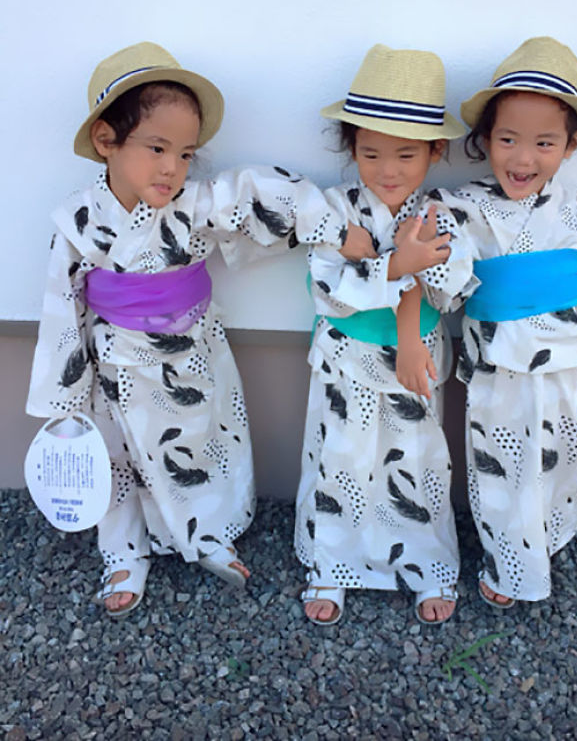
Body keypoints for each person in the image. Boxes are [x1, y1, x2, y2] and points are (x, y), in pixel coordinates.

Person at [26, 41, 370, 618]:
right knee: (122, 458)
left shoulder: (194, 204)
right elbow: (62, 307)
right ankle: (124, 552)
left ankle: (207, 535)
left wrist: (334, 230)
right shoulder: (79, 220)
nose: (173, 168)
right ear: (107, 141)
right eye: (156, 148)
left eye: (186, 154)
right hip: (115, 364)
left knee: (200, 444)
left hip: (192, 354)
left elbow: (262, 194)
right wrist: (66, 395)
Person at [417, 37, 577, 607]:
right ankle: (512, 562)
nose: (522, 159)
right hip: (502, 370)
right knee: (505, 468)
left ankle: (570, 516)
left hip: (574, 362)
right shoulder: (463, 207)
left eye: (544, 143)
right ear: (485, 138)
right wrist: (437, 245)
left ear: (570, 145)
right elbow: (441, 278)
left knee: (571, 455)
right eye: (507, 139)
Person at [294, 44, 465, 625]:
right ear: (351, 148)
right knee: (341, 457)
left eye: (405, 155)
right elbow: (328, 288)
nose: (387, 171)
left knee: (412, 458)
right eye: (370, 153)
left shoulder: (441, 211)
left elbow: (450, 287)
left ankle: (425, 567)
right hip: (347, 351)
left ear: (435, 152)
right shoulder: (334, 209)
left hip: (412, 353)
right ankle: (333, 564)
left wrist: (411, 325)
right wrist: (396, 264)